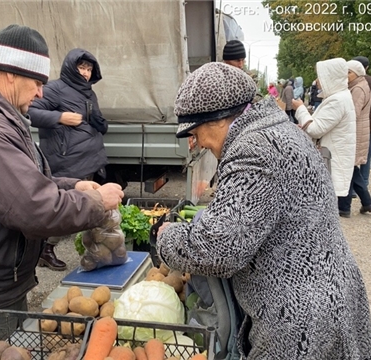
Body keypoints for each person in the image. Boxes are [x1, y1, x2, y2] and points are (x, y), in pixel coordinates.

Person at [156, 62, 371, 359]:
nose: (199, 143)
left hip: (299, 319)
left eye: (195, 132)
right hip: (330, 295)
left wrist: (167, 237)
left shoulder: (254, 149)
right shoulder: (279, 129)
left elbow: (219, 248)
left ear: (218, 120)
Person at [0, 24, 124, 353]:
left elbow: (29, 183)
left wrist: (74, 184)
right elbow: (35, 209)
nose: (39, 94)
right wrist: (95, 202)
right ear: (10, 74)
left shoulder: (0, 117)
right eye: (37, 82)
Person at [28, 48, 109, 270]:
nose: (85, 72)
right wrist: (59, 117)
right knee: (68, 210)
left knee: (85, 207)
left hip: (89, 159)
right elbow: (30, 113)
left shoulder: (88, 93)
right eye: (81, 67)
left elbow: (94, 120)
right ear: (71, 67)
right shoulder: (54, 89)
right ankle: (45, 249)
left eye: (89, 69)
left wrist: (100, 123)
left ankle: (94, 250)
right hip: (68, 162)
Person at [292, 58, 357, 216]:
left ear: (331, 77)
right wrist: (304, 126)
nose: (317, 81)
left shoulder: (338, 100)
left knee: (322, 211)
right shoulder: (338, 97)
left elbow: (316, 129)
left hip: (331, 158)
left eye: (321, 76)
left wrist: (300, 109)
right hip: (331, 155)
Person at [338, 60, 371, 216]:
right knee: (352, 169)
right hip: (357, 131)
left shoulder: (358, 88)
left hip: (355, 132)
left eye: (349, 72)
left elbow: (353, 113)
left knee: (348, 168)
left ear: (357, 73)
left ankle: (344, 207)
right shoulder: (359, 85)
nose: (347, 75)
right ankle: (367, 202)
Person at [353, 55, 371, 187]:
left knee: (355, 157)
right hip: (367, 121)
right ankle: (364, 182)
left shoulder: (356, 85)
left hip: (361, 122)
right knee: (366, 157)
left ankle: (355, 188)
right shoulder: (368, 81)